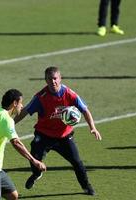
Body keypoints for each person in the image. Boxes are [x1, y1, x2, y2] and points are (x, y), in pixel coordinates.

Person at [14, 66, 102, 195]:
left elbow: (85, 110)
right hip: (43, 135)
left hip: (64, 136)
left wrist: (92, 127)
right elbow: (25, 111)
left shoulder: (69, 94)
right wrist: (10, 124)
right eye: (50, 79)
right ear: (45, 80)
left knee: (77, 162)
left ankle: (86, 186)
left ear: (60, 79)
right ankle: (36, 174)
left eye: (55, 78)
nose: (53, 81)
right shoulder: (40, 97)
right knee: (34, 159)